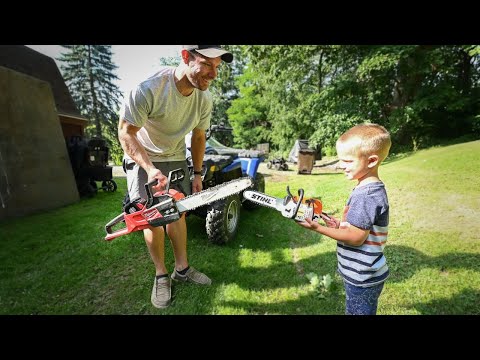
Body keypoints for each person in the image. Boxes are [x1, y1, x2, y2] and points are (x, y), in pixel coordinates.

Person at [118, 45, 233, 309]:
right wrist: (149, 168)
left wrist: (196, 173)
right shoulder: (149, 88)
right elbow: (126, 133)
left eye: (217, 67)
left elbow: (199, 136)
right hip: (142, 158)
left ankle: (182, 269)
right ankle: (161, 274)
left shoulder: (204, 99)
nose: (213, 74)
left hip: (176, 156)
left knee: (178, 212)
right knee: (153, 220)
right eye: (206, 64)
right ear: (185, 56)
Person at [296, 123, 391, 315]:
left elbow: (356, 237)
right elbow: (360, 227)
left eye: (347, 161)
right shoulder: (366, 187)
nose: (341, 166)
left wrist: (317, 228)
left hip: (362, 278)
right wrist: (340, 225)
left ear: (371, 161)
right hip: (359, 275)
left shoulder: (366, 194)